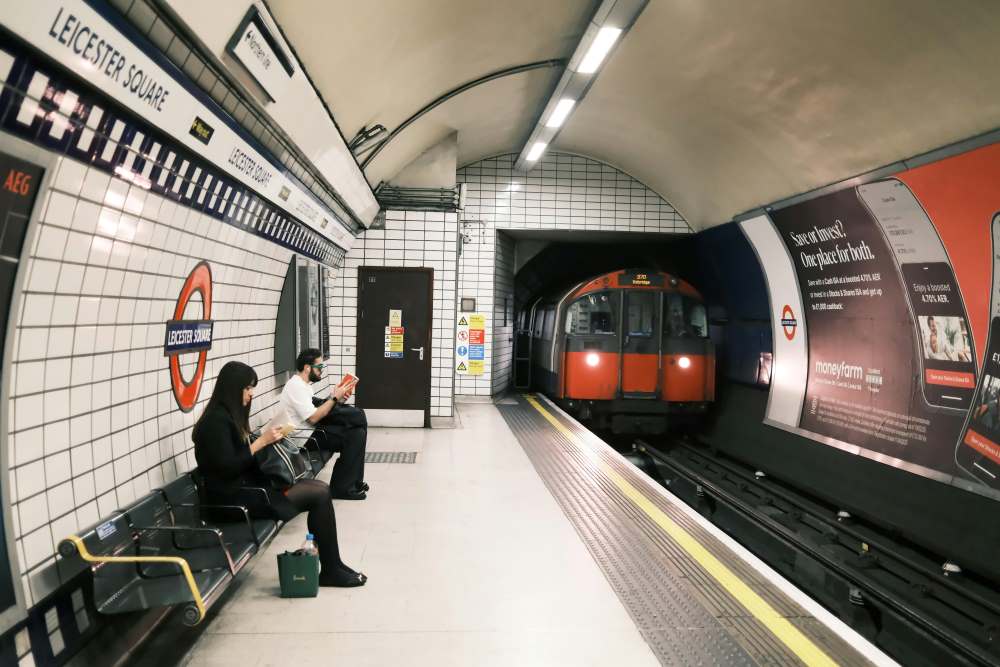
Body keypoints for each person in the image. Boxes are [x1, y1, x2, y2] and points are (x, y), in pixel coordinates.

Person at [192, 361, 366, 587]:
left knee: (320, 491)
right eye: (247, 388)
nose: (251, 394)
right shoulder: (215, 422)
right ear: (232, 389)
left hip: (245, 490)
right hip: (231, 500)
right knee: (319, 494)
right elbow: (227, 467)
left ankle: (334, 565)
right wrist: (260, 443)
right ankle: (332, 568)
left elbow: (237, 461)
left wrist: (265, 441)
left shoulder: (226, 415)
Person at [281, 349, 368, 500]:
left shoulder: (304, 385)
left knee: (358, 429)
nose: (322, 371)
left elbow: (316, 410)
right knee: (356, 430)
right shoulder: (295, 386)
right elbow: (314, 418)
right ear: (308, 367)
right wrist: (334, 398)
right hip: (303, 438)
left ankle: (351, 483)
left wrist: (338, 399)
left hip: (311, 431)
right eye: (319, 367)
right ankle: (344, 487)